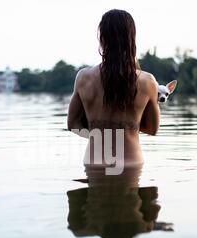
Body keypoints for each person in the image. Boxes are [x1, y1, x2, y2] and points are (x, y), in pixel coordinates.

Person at [67, 9, 160, 168]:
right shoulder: (148, 81)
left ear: (102, 38)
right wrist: (128, 128)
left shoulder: (83, 77)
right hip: (131, 166)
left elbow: (73, 125)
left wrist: (102, 133)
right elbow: (152, 129)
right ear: (132, 39)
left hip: (93, 163)